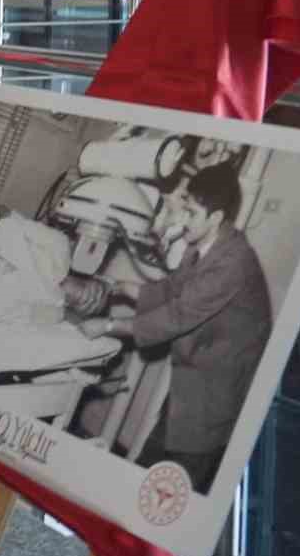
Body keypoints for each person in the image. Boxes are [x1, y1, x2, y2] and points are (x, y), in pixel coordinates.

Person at [80, 163, 269, 493]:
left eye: (190, 213)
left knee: (172, 488)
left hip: (214, 393)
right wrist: (116, 285)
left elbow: (176, 316)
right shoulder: (202, 247)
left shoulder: (233, 262)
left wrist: (108, 324)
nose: (181, 223)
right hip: (191, 382)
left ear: (215, 217)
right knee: (150, 468)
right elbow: (170, 290)